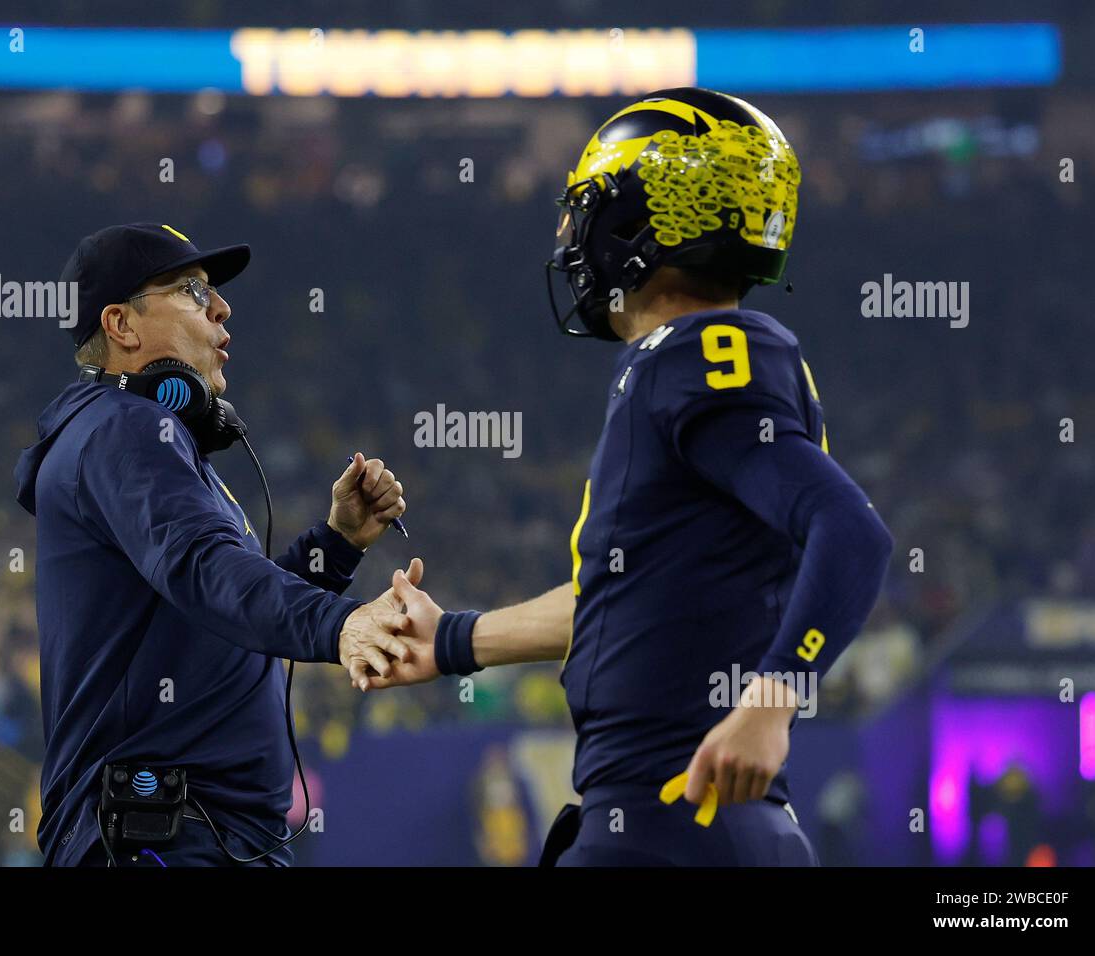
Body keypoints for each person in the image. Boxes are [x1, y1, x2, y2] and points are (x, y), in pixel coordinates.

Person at [360, 89, 894, 866]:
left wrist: (773, 701)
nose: (566, 231)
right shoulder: (694, 364)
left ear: (647, 220)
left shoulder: (698, 354)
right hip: (686, 826)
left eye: (586, 208)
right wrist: (451, 640)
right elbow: (625, 599)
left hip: (669, 822)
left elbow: (852, 532)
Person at [14, 222, 416, 866]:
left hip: (191, 832)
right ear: (121, 325)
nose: (223, 307)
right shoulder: (127, 428)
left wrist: (337, 545)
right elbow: (207, 570)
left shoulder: (134, 436)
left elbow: (221, 620)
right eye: (194, 291)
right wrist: (341, 625)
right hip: (164, 833)